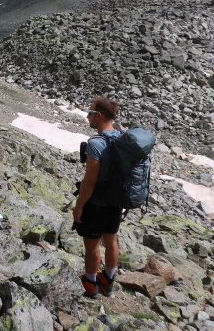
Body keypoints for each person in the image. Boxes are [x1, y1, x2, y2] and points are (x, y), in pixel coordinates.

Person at [73, 97, 121, 298]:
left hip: (96, 203)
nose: (87, 116)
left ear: (99, 116)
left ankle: (90, 284)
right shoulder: (122, 138)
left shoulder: (96, 144)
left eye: (90, 112)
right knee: (111, 240)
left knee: (92, 245)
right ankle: (108, 280)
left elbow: (89, 182)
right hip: (116, 201)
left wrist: (79, 206)